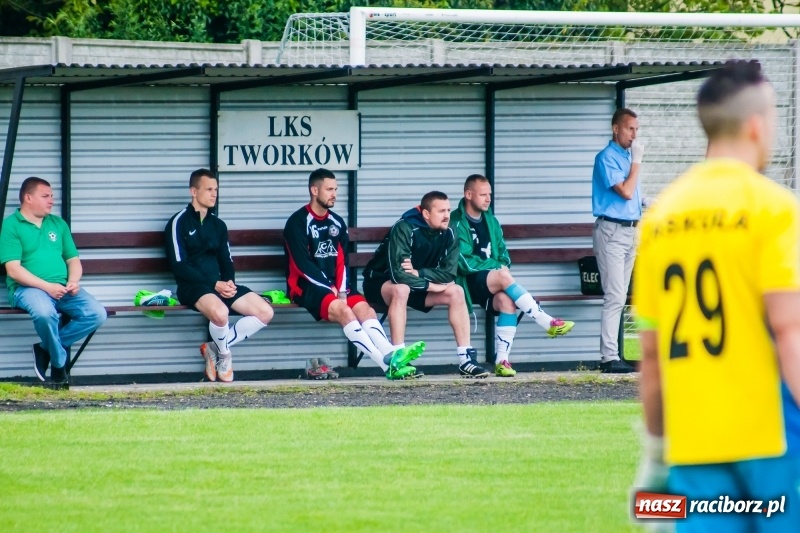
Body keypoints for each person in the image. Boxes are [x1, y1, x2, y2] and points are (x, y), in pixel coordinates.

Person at [633, 61, 800, 532]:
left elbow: (651, 355)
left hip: (695, 439)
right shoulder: (775, 209)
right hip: (773, 437)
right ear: (756, 126)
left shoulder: (660, 219)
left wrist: (656, 450)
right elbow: (790, 331)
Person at [283, 168, 425, 380]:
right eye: (329, 189)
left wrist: (341, 290)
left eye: (335, 189)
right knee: (345, 312)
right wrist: (329, 287)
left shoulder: (337, 222)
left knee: (365, 310)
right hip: (305, 286)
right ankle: (387, 365)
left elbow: (342, 261)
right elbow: (302, 265)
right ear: (314, 190)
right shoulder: (297, 222)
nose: (334, 194)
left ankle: (392, 354)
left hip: (336, 286)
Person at [450, 174, 575, 377]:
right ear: (468, 195)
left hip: (490, 281)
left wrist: (500, 267)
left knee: (507, 301)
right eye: (483, 195)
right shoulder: (456, 222)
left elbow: (504, 256)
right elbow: (463, 261)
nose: (488, 199)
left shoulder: (491, 221)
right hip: (466, 283)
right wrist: (497, 267)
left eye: (489, 194)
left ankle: (502, 361)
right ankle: (546, 321)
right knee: (503, 276)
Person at [363, 191, 490, 378]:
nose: (447, 215)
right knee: (401, 289)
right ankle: (399, 359)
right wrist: (431, 286)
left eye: (448, 210)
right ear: (426, 214)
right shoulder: (405, 227)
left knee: (456, 291)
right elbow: (398, 275)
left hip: (418, 284)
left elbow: (449, 273)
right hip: (380, 283)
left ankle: (466, 360)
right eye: (441, 211)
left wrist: (420, 273)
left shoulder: (450, 230)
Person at [165, 168, 273, 383]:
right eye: (209, 189)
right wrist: (214, 284)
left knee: (265, 312)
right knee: (221, 314)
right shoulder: (178, 222)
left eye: (216, 189)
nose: (214, 194)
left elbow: (226, 260)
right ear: (193, 192)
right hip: (193, 286)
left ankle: (213, 348)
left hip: (220, 285)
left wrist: (229, 282)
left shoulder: (218, 225)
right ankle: (224, 355)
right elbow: (179, 266)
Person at [0, 177, 107, 385]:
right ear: (28, 198)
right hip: (27, 288)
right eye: (45, 196)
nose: (52, 200)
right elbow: (13, 270)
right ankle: (58, 364)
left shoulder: (58, 224)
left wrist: (73, 281)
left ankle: (45, 348)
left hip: (62, 288)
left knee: (97, 314)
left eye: (51, 196)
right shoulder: (11, 225)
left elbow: (73, 260)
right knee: (44, 314)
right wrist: (47, 287)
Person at [591, 107, 644, 373]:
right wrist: (637, 163)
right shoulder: (607, 157)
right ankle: (609, 357)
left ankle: (615, 354)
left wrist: (646, 202)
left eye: (636, 129)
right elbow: (625, 191)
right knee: (614, 295)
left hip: (630, 232)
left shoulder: (626, 157)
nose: (634, 135)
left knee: (621, 296)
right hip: (611, 232)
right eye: (629, 128)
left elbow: (632, 197)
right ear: (616, 129)